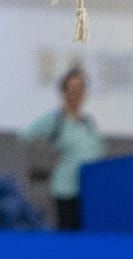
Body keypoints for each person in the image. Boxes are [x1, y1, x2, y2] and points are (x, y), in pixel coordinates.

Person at [20, 67, 104, 231]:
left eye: (80, 89)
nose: (75, 94)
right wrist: (45, 161)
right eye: (71, 89)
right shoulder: (55, 120)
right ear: (64, 92)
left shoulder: (88, 122)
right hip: (65, 188)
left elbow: (98, 150)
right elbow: (26, 136)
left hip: (88, 189)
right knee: (67, 231)